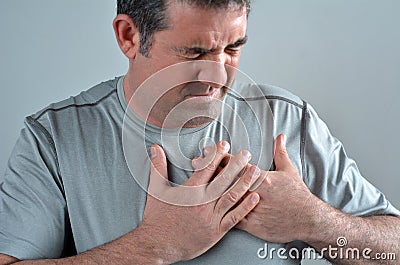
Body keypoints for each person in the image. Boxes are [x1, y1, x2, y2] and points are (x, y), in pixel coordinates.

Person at [0, 0, 399, 264]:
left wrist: (313, 222)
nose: (219, 74)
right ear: (129, 36)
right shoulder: (53, 138)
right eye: (195, 52)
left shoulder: (289, 121)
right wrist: (157, 244)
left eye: (233, 47)